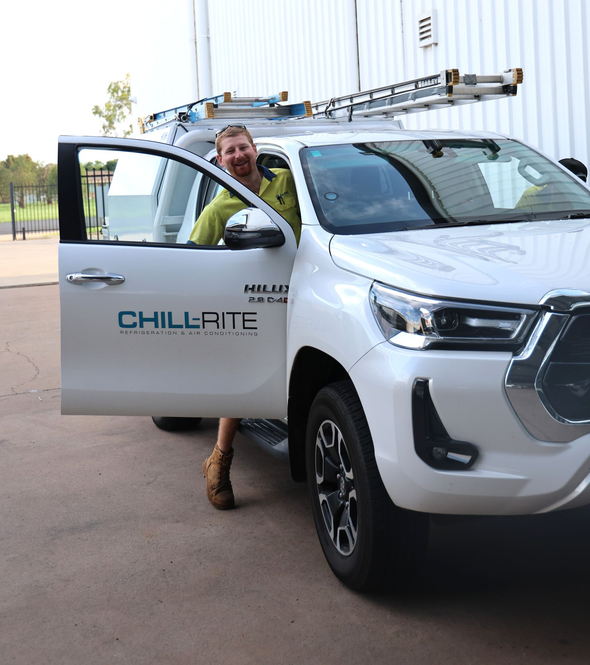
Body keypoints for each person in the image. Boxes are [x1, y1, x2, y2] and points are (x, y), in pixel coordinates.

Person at [189, 124, 301, 510]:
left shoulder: (289, 179)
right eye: (229, 152)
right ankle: (219, 460)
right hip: (255, 300)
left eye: (242, 148)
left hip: (306, 292)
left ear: (255, 149)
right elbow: (192, 256)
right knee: (245, 377)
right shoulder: (221, 206)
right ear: (220, 161)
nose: (238, 156)